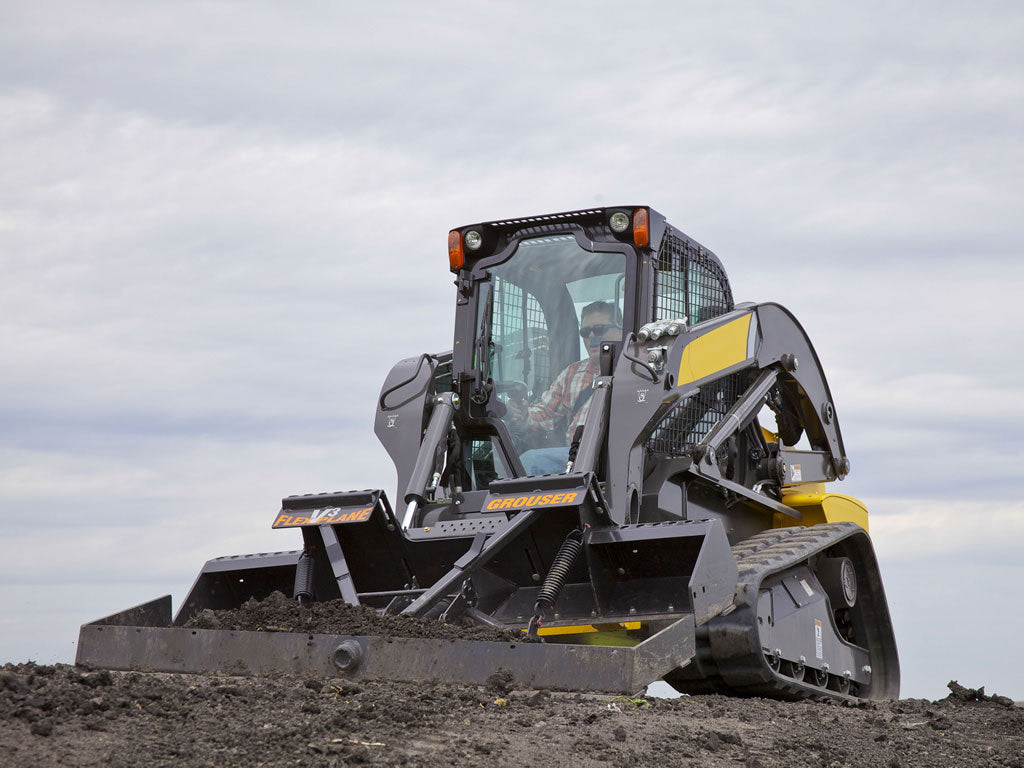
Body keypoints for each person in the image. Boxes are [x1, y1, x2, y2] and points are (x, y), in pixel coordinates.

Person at [506, 300, 622, 475]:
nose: (591, 336)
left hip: (620, 457)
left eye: (599, 329)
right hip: (578, 459)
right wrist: (521, 412)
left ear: (621, 329)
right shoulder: (572, 373)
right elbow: (545, 412)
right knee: (510, 460)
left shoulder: (639, 370)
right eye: (585, 332)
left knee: (531, 463)